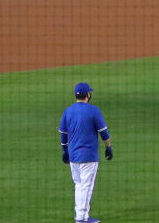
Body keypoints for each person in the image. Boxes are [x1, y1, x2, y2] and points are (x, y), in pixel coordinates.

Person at [58, 82, 112, 223]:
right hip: (88, 156)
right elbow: (104, 133)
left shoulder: (68, 111)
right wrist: (108, 147)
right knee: (86, 187)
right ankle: (81, 218)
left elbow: (63, 133)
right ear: (88, 94)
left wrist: (64, 150)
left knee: (79, 185)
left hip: (73, 156)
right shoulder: (94, 111)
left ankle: (81, 215)